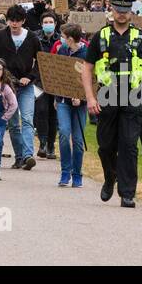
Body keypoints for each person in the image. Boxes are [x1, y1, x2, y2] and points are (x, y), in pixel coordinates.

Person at [81, 0, 142, 208]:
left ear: (131, 13)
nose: (122, 15)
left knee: (128, 145)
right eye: (118, 11)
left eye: (126, 11)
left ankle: (127, 193)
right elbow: (87, 69)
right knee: (105, 146)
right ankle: (110, 177)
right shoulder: (101, 36)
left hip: (134, 96)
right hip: (107, 96)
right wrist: (89, 97)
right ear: (112, 11)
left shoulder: (140, 37)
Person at [0, 4, 40, 170]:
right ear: (7, 20)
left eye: (18, 21)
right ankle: (20, 156)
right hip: (7, 85)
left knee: (28, 119)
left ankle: (29, 154)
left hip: (27, 85)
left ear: (23, 21)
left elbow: (42, 62)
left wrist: (30, 77)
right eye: (11, 21)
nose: (14, 24)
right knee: (13, 123)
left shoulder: (32, 38)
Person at [51, 23, 89, 187]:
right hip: (63, 101)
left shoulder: (87, 54)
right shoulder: (62, 51)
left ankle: (77, 173)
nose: (62, 40)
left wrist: (81, 98)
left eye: (64, 37)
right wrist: (56, 96)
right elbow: (58, 75)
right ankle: (65, 171)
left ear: (71, 39)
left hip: (80, 103)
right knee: (64, 134)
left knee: (78, 140)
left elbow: (91, 80)